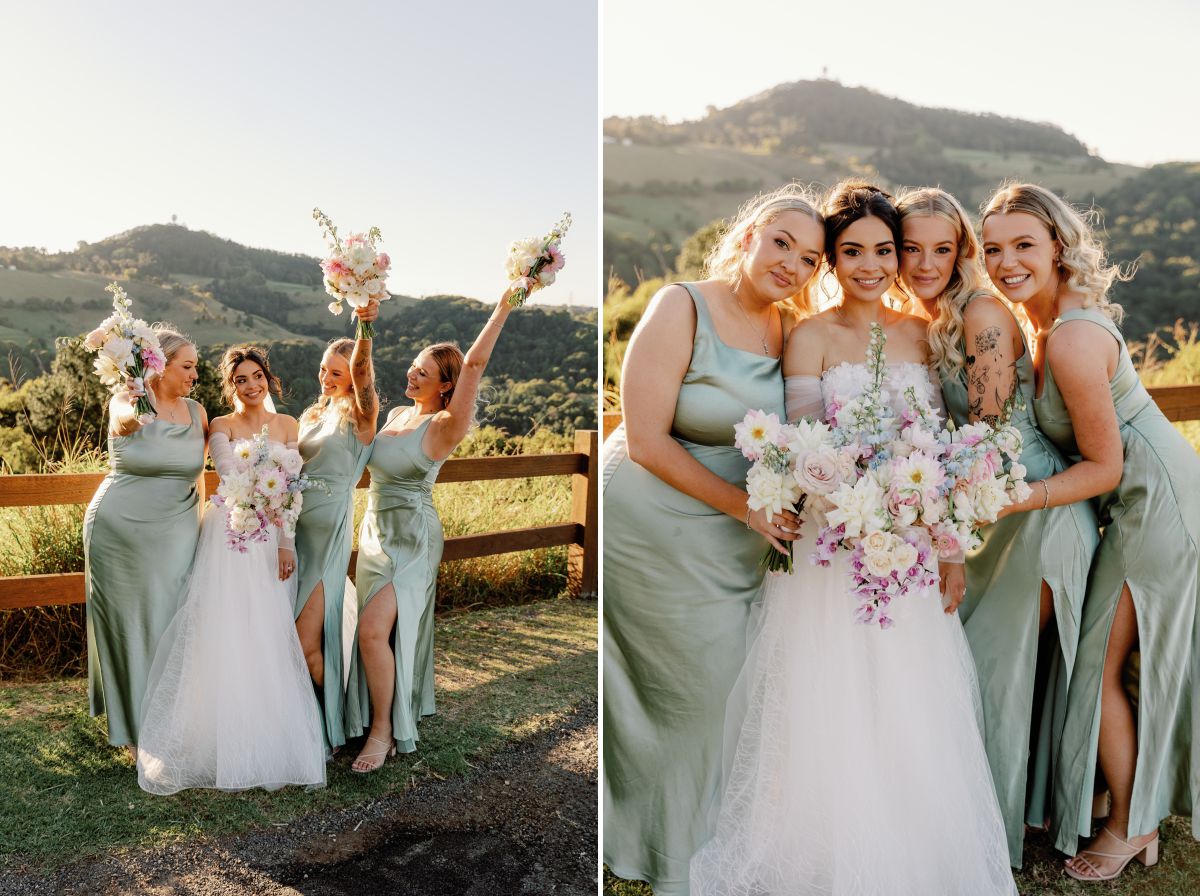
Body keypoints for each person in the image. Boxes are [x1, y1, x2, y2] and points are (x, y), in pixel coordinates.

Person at [690, 181, 1016, 895]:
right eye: (852, 252)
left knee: (909, 703)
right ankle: (825, 854)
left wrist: (945, 543)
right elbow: (809, 441)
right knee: (825, 702)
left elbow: (934, 450)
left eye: (883, 250)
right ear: (831, 261)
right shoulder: (810, 335)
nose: (871, 265)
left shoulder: (921, 333)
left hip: (910, 548)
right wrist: (851, 491)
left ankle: (914, 857)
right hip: (831, 547)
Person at [603, 184, 823, 896]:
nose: (792, 263)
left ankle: (700, 839)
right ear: (750, 234)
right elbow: (643, 440)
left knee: (726, 691)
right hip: (654, 525)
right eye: (782, 242)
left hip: (737, 540)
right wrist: (744, 508)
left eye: (810, 258)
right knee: (682, 692)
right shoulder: (680, 306)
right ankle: (661, 848)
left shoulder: (789, 331)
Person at [981, 182, 1200, 881]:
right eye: (991, 249)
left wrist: (1017, 497)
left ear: (1057, 247)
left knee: (1099, 665)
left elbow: (1105, 467)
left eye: (1023, 244)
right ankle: (1108, 800)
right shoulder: (1051, 323)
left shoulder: (1073, 338)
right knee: (1101, 662)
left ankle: (1130, 827)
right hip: (1140, 502)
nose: (1006, 261)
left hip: (1155, 507)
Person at [897, 186, 1098, 867]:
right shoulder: (921, 318)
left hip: (1030, 511)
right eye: (911, 248)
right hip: (985, 513)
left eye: (942, 248)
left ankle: (989, 836)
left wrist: (948, 541)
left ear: (962, 253)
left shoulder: (982, 312)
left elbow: (981, 441)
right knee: (971, 667)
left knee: (996, 671)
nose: (925, 262)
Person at [344, 288, 524, 772]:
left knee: (370, 630)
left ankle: (382, 732)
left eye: (423, 371)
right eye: (414, 366)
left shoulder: (446, 425)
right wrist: (364, 322)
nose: (412, 373)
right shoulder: (398, 415)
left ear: (444, 385)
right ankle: (368, 714)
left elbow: (474, 366)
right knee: (375, 634)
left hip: (413, 539)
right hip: (375, 533)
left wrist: (505, 303)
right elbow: (360, 380)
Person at [136, 345, 325, 794]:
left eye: (257, 375)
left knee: (266, 629)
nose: (252, 385)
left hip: (270, 539)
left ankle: (269, 736)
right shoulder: (219, 425)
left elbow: (292, 490)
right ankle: (216, 738)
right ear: (231, 385)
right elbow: (228, 474)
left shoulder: (288, 425)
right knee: (224, 629)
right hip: (231, 532)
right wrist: (260, 482)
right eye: (241, 379)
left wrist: (285, 542)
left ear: (268, 378)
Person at [83, 327, 206, 758]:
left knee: (171, 619)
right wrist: (136, 399)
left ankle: (171, 718)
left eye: (195, 366)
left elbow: (212, 468)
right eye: (187, 366)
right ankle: (135, 732)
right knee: (129, 623)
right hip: (120, 527)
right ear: (159, 365)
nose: (194, 374)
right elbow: (124, 422)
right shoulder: (124, 400)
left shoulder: (197, 411)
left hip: (177, 528)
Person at [294, 301, 379, 752]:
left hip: (327, 530)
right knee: (286, 632)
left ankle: (347, 719)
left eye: (337, 373)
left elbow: (364, 373)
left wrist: (364, 319)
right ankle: (305, 718)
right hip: (293, 529)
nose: (327, 379)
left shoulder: (362, 417)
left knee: (305, 642)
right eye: (324, 370)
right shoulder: (314, 414)